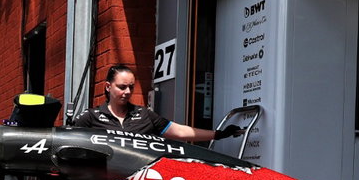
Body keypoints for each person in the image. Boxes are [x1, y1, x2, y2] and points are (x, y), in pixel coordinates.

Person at [68, 64, 240, 142]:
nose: (127, 92)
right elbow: (68, 142)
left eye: (131, 87)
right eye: (121, 87)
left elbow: (179, 131)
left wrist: (218, 134)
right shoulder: (90, 117)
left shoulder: (144, 114)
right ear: (107, 87)